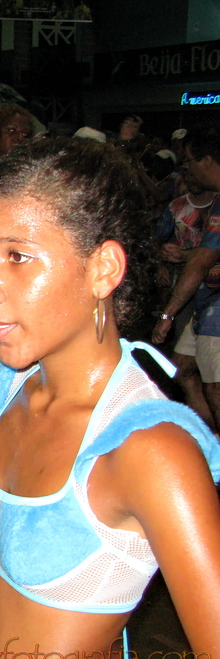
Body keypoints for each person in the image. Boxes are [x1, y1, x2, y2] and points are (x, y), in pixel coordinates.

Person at [0, 136, 220, 659]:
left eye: (18, 256)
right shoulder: (16, 389)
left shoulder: (147, 449)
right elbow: (9, 553)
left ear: (103, 269)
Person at [154, 127, 220, 432]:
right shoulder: (184, 207)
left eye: (190, 161)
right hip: (205, 303)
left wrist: (167, 313)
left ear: (207, 160)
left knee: (216, 387)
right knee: (181, 369)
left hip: (214, 307)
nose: (187, 168)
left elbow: (205, 259)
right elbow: (205, 254)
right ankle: (212, 442)